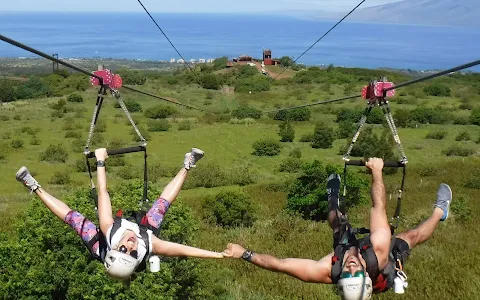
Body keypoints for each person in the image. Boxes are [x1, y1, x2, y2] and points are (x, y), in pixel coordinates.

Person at [223, 158, 452, 300]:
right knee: (411, 236)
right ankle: (441, 211)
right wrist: (377, 171)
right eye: (357, 273)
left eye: (347, 274)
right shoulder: (379, 251)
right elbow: (378, 205)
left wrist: (244, 253)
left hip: (351, 249)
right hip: (382, 257)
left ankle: (332, 196)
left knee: (336, 222)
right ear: (366, 274)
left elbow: (280, 265)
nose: (351, 268)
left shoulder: (325, 271)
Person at [16, 147, 225, 281]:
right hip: (144, 234)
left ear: (116, 246)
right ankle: (188, 164)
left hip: (101, 244)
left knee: (74, 219)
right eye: (132, 251)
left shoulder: (109, 232)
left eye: (123, 247)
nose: (131, 244)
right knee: (160, 206)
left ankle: (33, 185)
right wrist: (220, 255)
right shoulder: (150, 245)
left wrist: (100, 161)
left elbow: (102, 191)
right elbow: (186, 250)